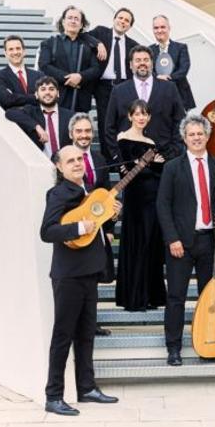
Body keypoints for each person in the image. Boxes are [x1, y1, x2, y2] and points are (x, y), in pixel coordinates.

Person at [40, 146, 121, 416]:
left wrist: (112, 214)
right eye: (70, 161)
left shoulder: (86, 191)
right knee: (63, 335)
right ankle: (53, 396)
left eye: (78, 159)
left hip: (89, 272)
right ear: (60, 168)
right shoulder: (58, 193)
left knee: (86, 334)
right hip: (69, 275)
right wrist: (77, 228)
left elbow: (95, 222)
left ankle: (86, 387)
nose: (76, 163)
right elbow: (47, 231)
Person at [156, 113, 215, 366]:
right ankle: (174, 348)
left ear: (208, 136)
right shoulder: (172, 167)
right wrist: (172, 239)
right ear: (184, 138)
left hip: (209, 242)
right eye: (192, 134)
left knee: (210, 298)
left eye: (200, 133)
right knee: (176, 297)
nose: (196, 138)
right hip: (181, 243)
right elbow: (163, 206)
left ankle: (209, 345)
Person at [114, 100, 167, 312]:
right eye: (137, 114)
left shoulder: (151, 141)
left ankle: (151, 296)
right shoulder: (123, 138)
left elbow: (157, 172)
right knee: (139, 243)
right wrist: (152, 165)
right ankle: (135, 297)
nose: (141, 117)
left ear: (149, 117)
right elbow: (127, 172)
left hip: (153, 198)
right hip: (136, 200)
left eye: (145, 114)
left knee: (152, 244)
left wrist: (146, 166)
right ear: (130, 116)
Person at [68, 112, 115, 337]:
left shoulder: (99, 159)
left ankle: (91, 324)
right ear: (71, 134)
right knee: (76, 281)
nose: (84, 135)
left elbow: (105, 196)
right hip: (74, 230)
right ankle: (75, 324)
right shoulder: (63, 158)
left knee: (94, 280)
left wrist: (109, 228)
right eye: (79, 131)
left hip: (97, 229)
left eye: (87, 131)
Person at [103, 45, 185, 163]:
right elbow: (109, 127)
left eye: (146, 60)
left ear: (152, 63)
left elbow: (180, 121)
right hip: (129, 162)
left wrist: (173, 152)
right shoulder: (118, 91)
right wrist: (118, 156)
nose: (142, 63)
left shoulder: (169, 88)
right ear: (131, 65)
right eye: (138, 60)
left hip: (164, 159)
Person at [37, 5, 103, 112]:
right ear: (63, 22)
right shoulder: (49, 43)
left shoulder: (89, 46)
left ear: (81, 24)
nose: (73, 21)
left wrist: (80, 76)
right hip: (57, 97)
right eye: (70, 18)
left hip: (80, 100)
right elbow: (44, 65)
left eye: (76, 19)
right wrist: (68, 78)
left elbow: (96, 69)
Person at [90, 8, 140, 144]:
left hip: (124, 87)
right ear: (114, 19)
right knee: (105, 123)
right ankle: (108, 159)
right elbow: (83, 36)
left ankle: (122, 157)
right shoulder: (100, 32)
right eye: (120, 18)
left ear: (130, 26)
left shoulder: (133, 45)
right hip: (104, 87)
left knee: (124, 123)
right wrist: (98, 43)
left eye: (127, 20)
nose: (122, 22)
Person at [4, 76, 71, 158]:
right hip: (41, 163)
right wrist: (36, 126)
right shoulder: (31, 111)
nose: (47, 92)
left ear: (58, 93)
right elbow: (10, 113)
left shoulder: (70, 116)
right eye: (43, 89)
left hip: (66, 163)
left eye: (51, 89)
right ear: (37, 94)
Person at [149, 14, 195, 110]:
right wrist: (157, 77)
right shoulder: (148, 50)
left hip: (180, 94)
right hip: (157, 95)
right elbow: (148, 70)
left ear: (169, 28)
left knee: (181, 124)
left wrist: (167, 78)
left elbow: (184, 69)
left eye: (163, 27)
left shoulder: (181, 47)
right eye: (156, 28)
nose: (159, 30)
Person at [0, 34, 45, 110]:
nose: (15, 52)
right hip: (12, 120)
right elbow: (6, 100)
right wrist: (35, 96)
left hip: (38, 120)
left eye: (18, 48)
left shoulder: (39, 75)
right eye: (11, 49)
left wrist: (14, 97)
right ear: (5, 54)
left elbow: (45, 98)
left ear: (24, 51)